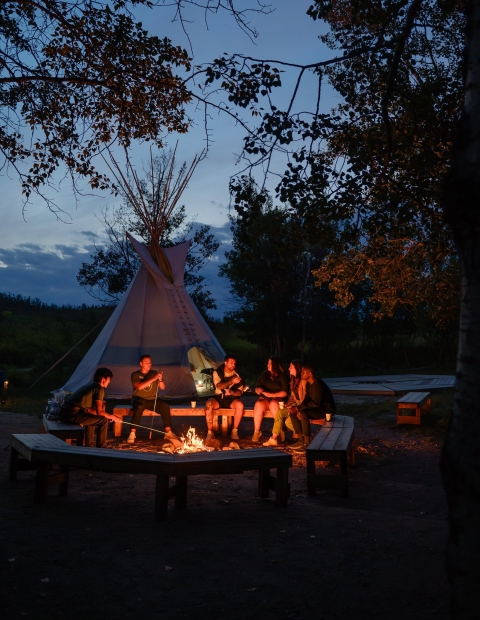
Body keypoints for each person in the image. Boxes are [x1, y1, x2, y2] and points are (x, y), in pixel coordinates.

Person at [59, 367, 119, 448]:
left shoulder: (89, 385)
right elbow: (100, 412)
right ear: (103, 379)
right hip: (71, 414)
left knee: (93, 419)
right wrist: (112, 417)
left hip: (63, 413)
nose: (109, 381)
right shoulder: (99, 388)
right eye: (108, 379)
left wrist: (108, 415)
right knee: (103, 421)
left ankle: (89, 446)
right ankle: (102, 448)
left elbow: (90, 411)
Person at [129, 355, 177, 444]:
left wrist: (160, 380)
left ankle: (168, 432)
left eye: (150, 362)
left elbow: (162, 387)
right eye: (146, 362)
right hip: (139, 399)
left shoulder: (154, 373)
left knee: (165, 407)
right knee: (139, 407)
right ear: (141, 364)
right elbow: (139, 387)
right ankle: (132, 433)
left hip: (152, 400)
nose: (149, 364)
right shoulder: (135, 374)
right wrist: (153, 378)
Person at [288, 364, 336, 453]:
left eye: (303, 372)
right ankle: (301, 440)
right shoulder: (309, 384)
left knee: (304, 413)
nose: (301, 374)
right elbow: (307, 398)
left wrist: (300, 409)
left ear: (309, 374)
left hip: (325, 410)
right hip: (316, 408)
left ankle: (307, 442)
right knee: (293, 412)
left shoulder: (318, 384)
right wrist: (298, 408)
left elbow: (316, 403)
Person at [263, 359, 306, 447]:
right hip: (295, 405)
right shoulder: (293, 380)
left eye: (291, 367)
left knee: (288, 421)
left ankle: (305, 438)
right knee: (283, 416)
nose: (289, 368)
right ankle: (274, 438)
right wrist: (288, 404)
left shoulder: (303, 381)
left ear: (297, 369)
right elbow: (293, 396)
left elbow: (305, 398)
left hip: (301, 406)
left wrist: (298, 409)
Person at [205, 355, 246, 440]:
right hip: (219, 398)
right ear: (225, 363)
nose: (233, 365)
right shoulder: (217, 372)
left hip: (231, 399)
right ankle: (210, 432)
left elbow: (240, 392)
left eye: (234, 363)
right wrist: (231, 381)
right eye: (231, 363)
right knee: (209, 404)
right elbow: (219, 386)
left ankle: (234, 431)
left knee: (240, 405)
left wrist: (231, 392)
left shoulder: (237, 374)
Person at [252, 356, 289, 442]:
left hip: (278, 399)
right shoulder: (265, 374)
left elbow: (285, 392)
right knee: (258, 404)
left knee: (273, 404)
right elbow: (256, 387)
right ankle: (257, 431)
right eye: (268, 363)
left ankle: (279, 430)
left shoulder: (282, 375)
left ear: (275, 365)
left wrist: (271, 395)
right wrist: (258, 390)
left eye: (270, 363)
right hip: (265, 398)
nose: (267, 365)